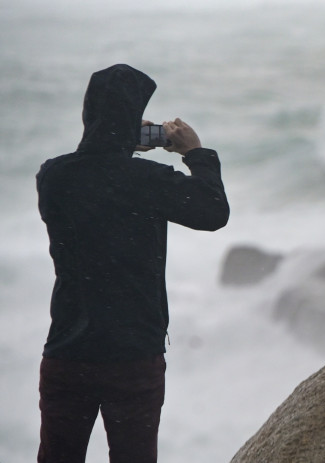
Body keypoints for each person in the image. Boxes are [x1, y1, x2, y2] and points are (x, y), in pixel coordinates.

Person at [36, 64, 230, 463]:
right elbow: (213, 212)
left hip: (68, 350)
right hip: (133, 355)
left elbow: (93, 173)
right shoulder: (146, 180)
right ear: (130, 122)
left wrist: (117, 144)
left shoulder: (53, 177)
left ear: (89, 114)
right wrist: (196, 153)